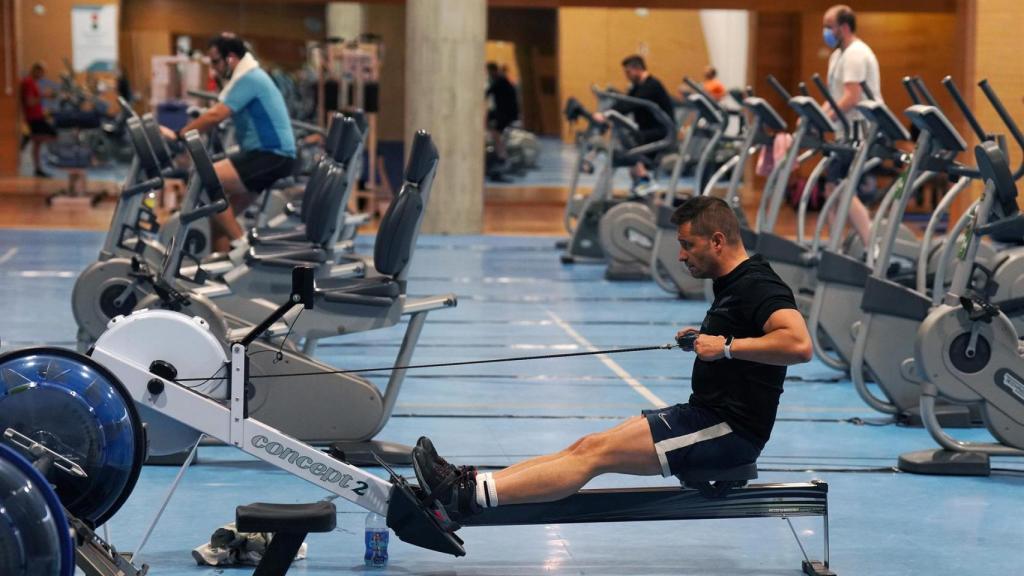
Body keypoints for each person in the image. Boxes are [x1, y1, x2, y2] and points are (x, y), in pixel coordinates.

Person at [413, 196, 813, 521]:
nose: (681, 256)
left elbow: (799, 345)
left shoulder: (758, 285)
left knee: (594, 456)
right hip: (705, 414)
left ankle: (466, 497)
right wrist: (706, 339)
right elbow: (746, 337)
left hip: (729, 433)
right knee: (587, 445)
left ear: (718, 241)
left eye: (687, 245)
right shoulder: (734, 283)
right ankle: (471, 483)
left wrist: (725, 346)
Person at [162, 34, 296, 253]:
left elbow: (217, 115)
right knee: (221, 216)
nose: (213, 69)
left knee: (203, 179)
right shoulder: (247, 77)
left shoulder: (250, 78)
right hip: (267, 156)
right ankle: (221, 268)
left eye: (215, 62)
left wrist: (180, 136)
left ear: (231, 58)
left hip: (271, 156)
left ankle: (245, 252)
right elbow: (216, 113)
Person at [821, 4, 879, 247]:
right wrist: (817, 115)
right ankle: (837, 247)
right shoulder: (837, 55)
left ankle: (872, 247)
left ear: (844, 27)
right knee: (832, 191)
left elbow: (851, 97)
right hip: (845, 132)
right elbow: (834, 98)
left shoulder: (856, 53)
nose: (825, 32)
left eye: (829, 27)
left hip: (862, 131)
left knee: (841, 190)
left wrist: (825, 119)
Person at [593, 55, 674, 193]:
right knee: (627, 145)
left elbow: (631, 104)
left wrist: (606, 115)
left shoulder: (652, 85)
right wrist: (608, 114)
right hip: (647, 132)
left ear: (637, 69)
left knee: (630, 144)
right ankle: (641, 181)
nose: (627, 76)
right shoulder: (638, 86)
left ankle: (645, 179)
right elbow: (625, 101)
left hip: (661, 133)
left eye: (628, 72)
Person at [20, 62, 57, 178]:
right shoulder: (29, 83)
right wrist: (44, 96)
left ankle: (38, 169)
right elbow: (30, 102)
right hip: (34, 117)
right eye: (42, 72)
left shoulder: (33, 83)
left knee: (38, 144)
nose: (43, 75)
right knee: (53, 135)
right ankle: (29, 137)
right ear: (36, 70)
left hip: (36, 116)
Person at [485, 62, 520, 173]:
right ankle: (501, 154)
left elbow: (487, 92)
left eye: (489, 71)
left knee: (496, 133)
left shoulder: (499, 81)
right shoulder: (501, 80)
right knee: (496, 133)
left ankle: (502, 156)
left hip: (505, 113)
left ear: (493, 70)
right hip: (505, 112)